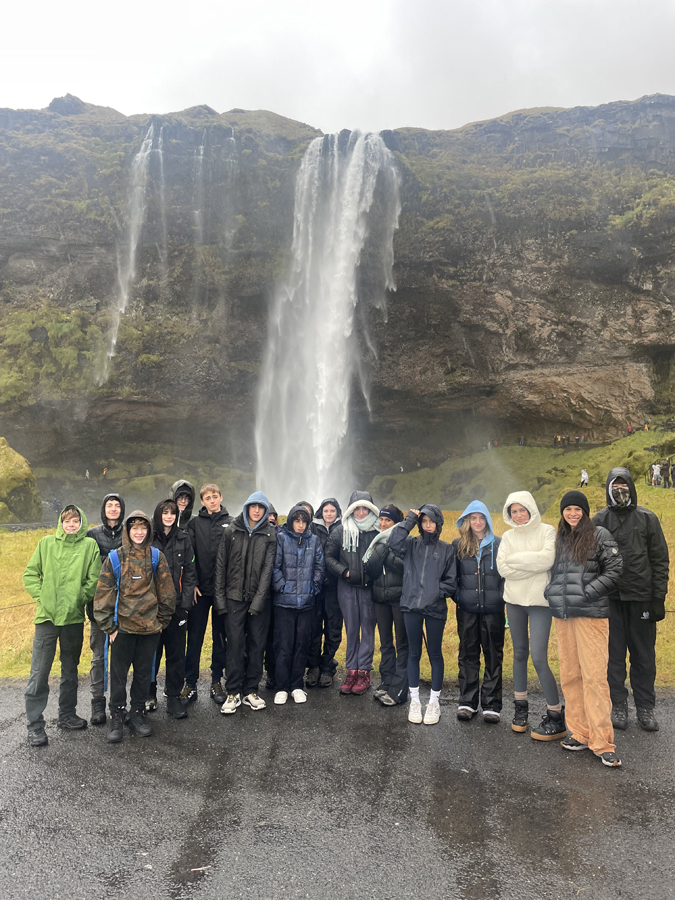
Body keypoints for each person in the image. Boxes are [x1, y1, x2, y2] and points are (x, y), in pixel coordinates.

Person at [545, 491, 623, 767]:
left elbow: (615, 569)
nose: (573, 513)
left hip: (591, 616)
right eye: (569, 509)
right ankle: (579, 732)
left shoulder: (599, 535)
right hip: (564, 617)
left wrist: (588, 593)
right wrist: (551, 593)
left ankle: (603, 742)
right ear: (563, 512)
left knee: (594, 678)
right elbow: (555, 573)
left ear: (585, 512)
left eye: (578, 509)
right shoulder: (560, 538)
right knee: (570, 675)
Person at [593, 468, 669, 732]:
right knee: (613, 657)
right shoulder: (599, 520)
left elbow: (660, 560)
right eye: (615, 486)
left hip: (642, 600)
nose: (620, 491)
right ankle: (618, 705)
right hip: (610, 600)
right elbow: (590, 562)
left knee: (643, 656)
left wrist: (658, 597)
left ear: (632, 487)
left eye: (624, 486)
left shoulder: (648, 519)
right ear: (608, 489)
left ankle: (645, 707)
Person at [93, 511, 176, 743]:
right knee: (118, 676)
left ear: (149, 530)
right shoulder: (115, 558)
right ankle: (117, 714)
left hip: (149, 630)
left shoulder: (156, 557)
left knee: (143, 674)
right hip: (123, 630)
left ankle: (137, 712)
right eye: (134, 528)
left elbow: (167, 593)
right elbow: (103, 595)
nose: (139, 532)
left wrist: (161, 622)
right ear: (128, 531)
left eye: (143, 527)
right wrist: (109, 627)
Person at [23, 505, 101, 747]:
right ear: (61, 522)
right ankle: (35, 725)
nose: (71, 525)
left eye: (76, 521)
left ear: (81, 523)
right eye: (67, 521)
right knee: (39, 672)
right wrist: (43, 597)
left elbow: (94, 579)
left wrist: (79, 598)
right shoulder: (46, 544)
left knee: (70, 670)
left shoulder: (89, 546)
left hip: (74, 619)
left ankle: (66, 715)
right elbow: (29, 574)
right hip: (46, 619)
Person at [496, 492, 565, 740]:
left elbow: (547, 560)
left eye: (522, 510)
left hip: (539, 603)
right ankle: (520, 710)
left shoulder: (547, 531)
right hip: (513, 602)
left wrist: (516, 562)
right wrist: (530, 567)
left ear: (531, 509)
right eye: (513, 511)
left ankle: (556, 714)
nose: (518, 515)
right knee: (519, 653)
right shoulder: (507, 536)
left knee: (538, 657)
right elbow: (502, 568)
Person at [388, 505, 456, 725]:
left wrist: (435, 593)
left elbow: (451, 581)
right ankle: (415, 700)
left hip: (435, 608)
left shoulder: (447, 549)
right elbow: (393, 541)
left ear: (438, 524)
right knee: (413, 654)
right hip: (410, 606)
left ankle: (434, 702)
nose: (428, 526)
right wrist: (409, 520)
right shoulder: (410, 545)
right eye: (424, 521)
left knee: (435, 654)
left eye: (432, 521)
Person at [213, 491, 277, 713]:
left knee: (257, 645)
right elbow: (221, 565)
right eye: (253, 506)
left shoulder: (270, 534)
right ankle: (233, 691)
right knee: (235, 645)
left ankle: (251, 690)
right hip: (233, 598)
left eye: (261, 507)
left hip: (259, 601)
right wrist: (220, 599)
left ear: (265, 510)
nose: (257, 510)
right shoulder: (232, 530)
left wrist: (258, 602)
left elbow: (267, 571)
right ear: (247, 507)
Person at [452, 501, 505, 724]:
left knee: (493, 655)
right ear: (467, 520)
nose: (477, 522)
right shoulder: (458, 545)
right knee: (467, 653)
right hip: (467, 611)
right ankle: (468, 701)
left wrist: (500, 598)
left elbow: (506, 575)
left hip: (493, 610)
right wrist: (461, 598)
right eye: (473, 518)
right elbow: (451, 577)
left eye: (481, 517)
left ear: (488, 520)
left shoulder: (500, 545)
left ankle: (491, 705)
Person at [324, 491, 381, 695]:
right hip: (346, 587)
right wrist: (344, 572)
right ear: (350, 510)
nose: (361, 512)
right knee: (351, 629)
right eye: (357, 508)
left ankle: (364, 671)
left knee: (367, 628)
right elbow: (328, 557)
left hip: (369, 588)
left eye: (365, 508)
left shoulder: (377, 530)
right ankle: (351, 671)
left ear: (371, 509)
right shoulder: (340, 531)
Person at [183, 484, 232, 706]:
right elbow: (189, 557)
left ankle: (216, 681)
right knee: (195, 638)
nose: (212, 500)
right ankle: (190, 683)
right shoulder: (194, 524)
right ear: (201, 501)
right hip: (200, 592)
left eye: (215, 496)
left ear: (221, 497)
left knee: (220, 639)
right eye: (207, 498)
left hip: (222, 592)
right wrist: (191, 585)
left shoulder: (231, 523)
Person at [149, 499, 198, 717]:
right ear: (158, 515)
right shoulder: (148, 539)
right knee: (151, 653)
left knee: (176, 653)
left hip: (177, 606)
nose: (169, 516)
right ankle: (148, 694)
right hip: (152, 608)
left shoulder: (184, 538)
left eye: (172, 513)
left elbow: (190, 572)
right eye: (164, 513)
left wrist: (186, 605)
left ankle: (173, 697)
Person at [271, 504, 325, 704]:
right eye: (297, 520)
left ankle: (296, 685)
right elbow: (274, 568)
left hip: (307, 603)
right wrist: (283, 587)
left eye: (304, 521)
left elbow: (320, 568)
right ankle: (281, 686)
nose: (301, 525)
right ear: (291, 521)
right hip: (284, 603)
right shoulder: (281, 539)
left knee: (302, 644)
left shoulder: (315, 541)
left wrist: (313, 588)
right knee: (284, 645)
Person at [363, 505, 409, 707]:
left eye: (387, 521)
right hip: (379, 598)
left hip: (399, 598)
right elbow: (370, 571)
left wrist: (385, 553)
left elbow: (406, 567)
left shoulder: (405, 541)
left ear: (397, 523)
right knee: (385, 643)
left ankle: (399, 688)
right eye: (381, 519)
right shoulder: (376, 541)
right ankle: (386, 680)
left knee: (402, 644)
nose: (382, 524)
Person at [86, 492, 125, 725]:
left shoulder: (128, 533)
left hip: (123, 606)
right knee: (99, 656)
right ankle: (97, 702)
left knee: (120, 657)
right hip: (98, 606)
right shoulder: (92, 535)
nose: (113, 508)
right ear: (104, 508)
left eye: (117, 505)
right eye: (109, 505)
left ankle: (117, 704)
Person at [306, 498, 343, 688]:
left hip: (336, 587)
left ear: (337, 512)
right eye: (326, 510)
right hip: (316, 587)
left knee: (333, 628)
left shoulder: (344, 528)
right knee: (313, 628)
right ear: (321, 512)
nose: (329, 514)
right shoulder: (312, 528)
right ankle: (313, 667)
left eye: (332, 510)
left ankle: (327, 667)